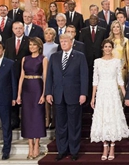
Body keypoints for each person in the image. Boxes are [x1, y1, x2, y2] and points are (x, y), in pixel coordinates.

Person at [45, 33, 88, 161]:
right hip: (58, 96)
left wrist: (83, 93)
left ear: (71, 42)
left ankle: (74, 150)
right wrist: (48, 92)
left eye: (66, 41)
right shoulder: (54, 57)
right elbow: (49, 77)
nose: (63, 43)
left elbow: (84, 76)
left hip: (74, 95)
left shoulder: (79, 56)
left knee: (74, 124)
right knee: (60, 125)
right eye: (61, 41)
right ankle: (62, 150)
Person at [90, 39, 129, 161]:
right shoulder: (97, 62)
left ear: (112, 48)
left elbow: (119, 79)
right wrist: (93, 98)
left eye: (109, 46)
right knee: (102, 118)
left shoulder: (117, 61)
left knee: (112, 118)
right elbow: (95, 81)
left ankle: (112, 147)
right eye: (105, 46)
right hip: (101, 93)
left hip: (113, 93)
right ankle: (105, 146)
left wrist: (125, 94)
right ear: (102, 48)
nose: (107, 48)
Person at [16, 37, 47, 159]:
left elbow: (45, 78)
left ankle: (37, 145)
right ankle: (30, 145)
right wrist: (18, 94)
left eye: (34, 45)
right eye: (30, 45)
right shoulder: (25, 59)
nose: (32, 47)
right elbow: (21, 77)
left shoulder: (43, 59)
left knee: (38, 116)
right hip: (26, 89)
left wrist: (43, 94)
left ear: (39, 46)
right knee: (27, 117)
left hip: (37, 87)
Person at [4, 21, 31, 130]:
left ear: (23, 29)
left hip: (25, 73)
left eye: (20, 28)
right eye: (16, 28)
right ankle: (14, 121)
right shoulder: (8, 41)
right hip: (11, 73)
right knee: (13, 96)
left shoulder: (29, 41)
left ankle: (26, 121)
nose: (18, 30)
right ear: (13, 30)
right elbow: (6, 57)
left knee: (25, 97)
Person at [79, 14, 106, 103]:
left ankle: (99, 99)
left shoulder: (103, 31)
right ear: (88, 20)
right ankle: (89, 100)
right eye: (91, 19)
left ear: (98, 20)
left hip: (100, 59)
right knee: (89, 80)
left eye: (95, 19)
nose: (93, 20)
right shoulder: (83, 31)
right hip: (87, 59)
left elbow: (104, 45)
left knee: (100, 80)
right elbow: (81, 45)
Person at [107, 20, 129, 85]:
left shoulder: (125, 41)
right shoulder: (108, 41)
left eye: (118, 27)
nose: (116, 29)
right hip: (110, 69)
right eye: (114, 27)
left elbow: (128, 58)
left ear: (121, 28)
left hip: (122, 70)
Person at [43, 27, 58, 129]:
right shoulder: (41, 47)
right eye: (46, 33)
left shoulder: (57, 47)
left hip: (54, 74)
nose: (48, 35)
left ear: (54, 36)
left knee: (54, 97)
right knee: (45, 96)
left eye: (51, 34)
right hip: (42, 74)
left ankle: (54, 120)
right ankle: (47, 118)